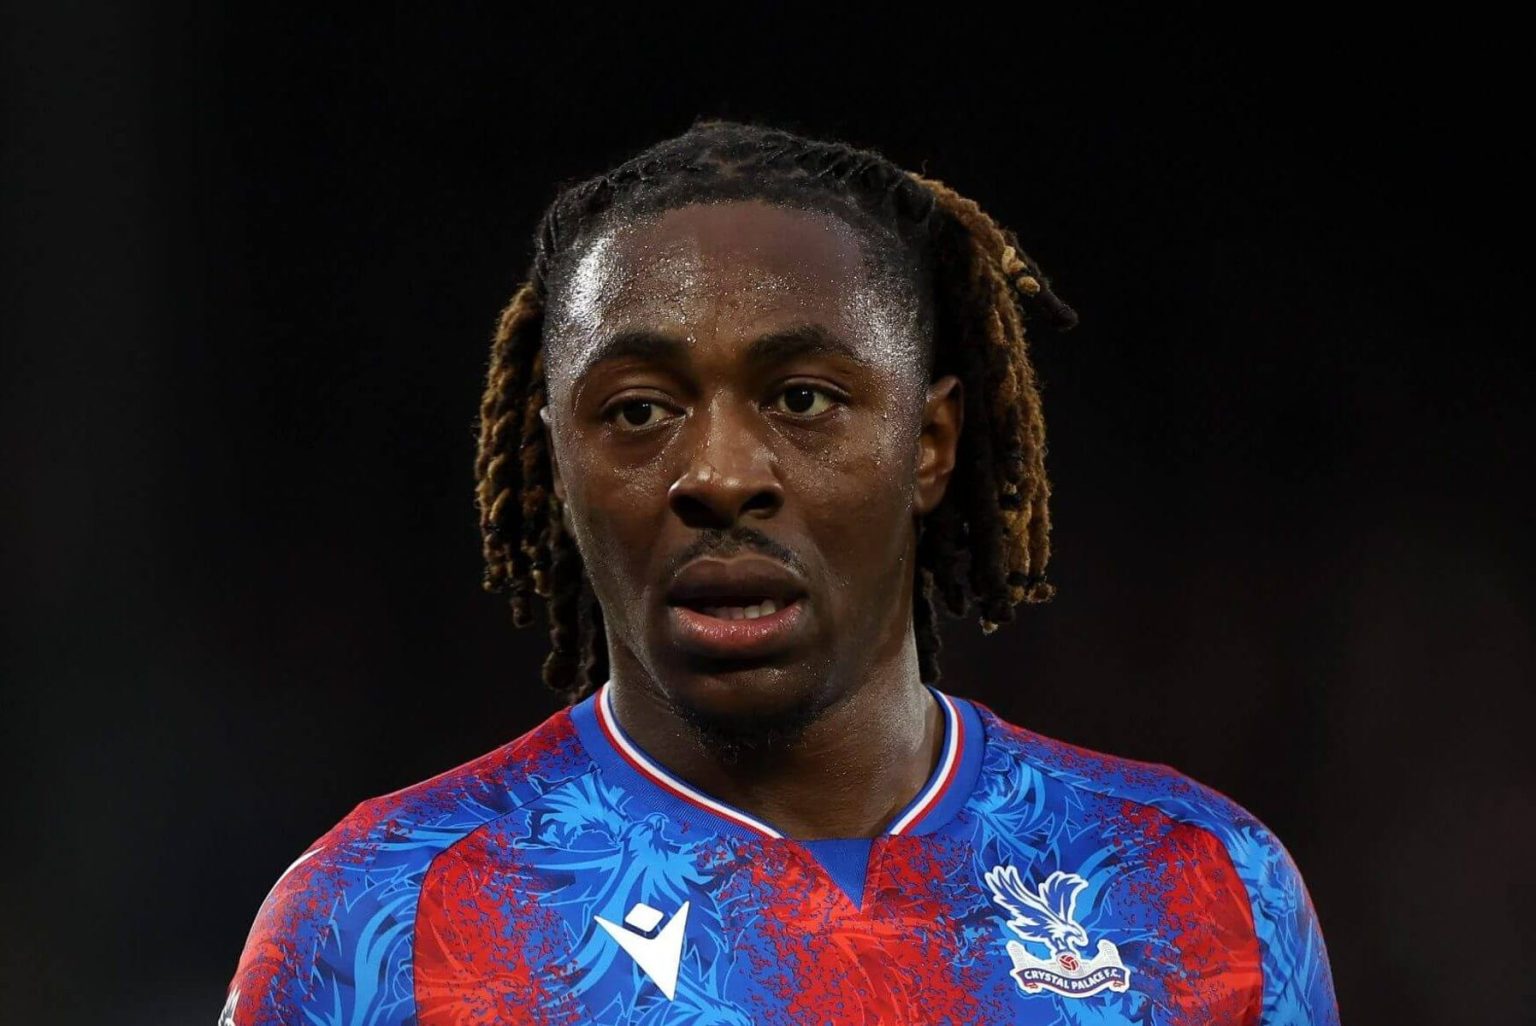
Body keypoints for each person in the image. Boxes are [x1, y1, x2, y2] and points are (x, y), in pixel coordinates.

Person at [220, 118, 1339, 1025]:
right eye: (639, 411)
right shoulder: (378, 918)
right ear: (557, 464)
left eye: (803, 398)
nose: (718, 474)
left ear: (930, 445)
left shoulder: (1195, 883)